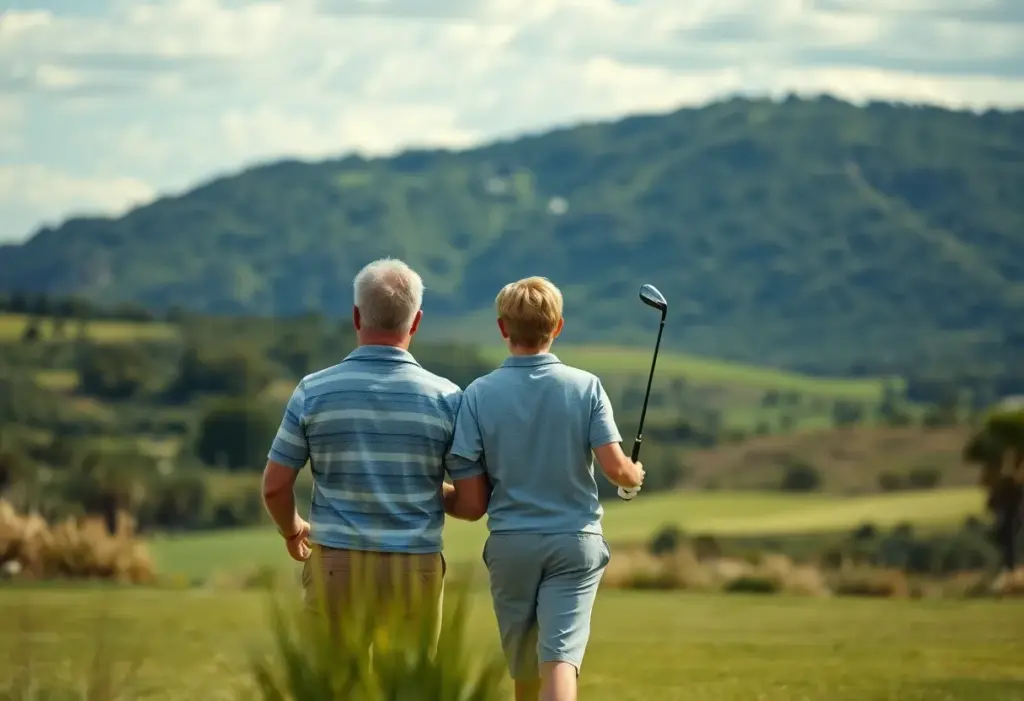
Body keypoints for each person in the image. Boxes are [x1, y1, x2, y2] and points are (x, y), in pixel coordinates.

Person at [261, 257, 490, 633]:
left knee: (334, 689)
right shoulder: (448, 397)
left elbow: (274, 486)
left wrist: (292, 530)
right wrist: (425, 487)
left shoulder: (312, 391)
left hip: (335, 565)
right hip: (415, 568)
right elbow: (472, 504)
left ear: (356, 316)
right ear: (416, 321)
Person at [447, 276, 645, 701]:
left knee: (524, 668)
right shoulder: (586, 386)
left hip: (511, 544)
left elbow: (471, 495)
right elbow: (616, 469)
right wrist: (634, 475)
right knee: (558, 660)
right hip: (574, 542)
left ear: (502, 328)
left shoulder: (477, 395)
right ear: (558, 327)